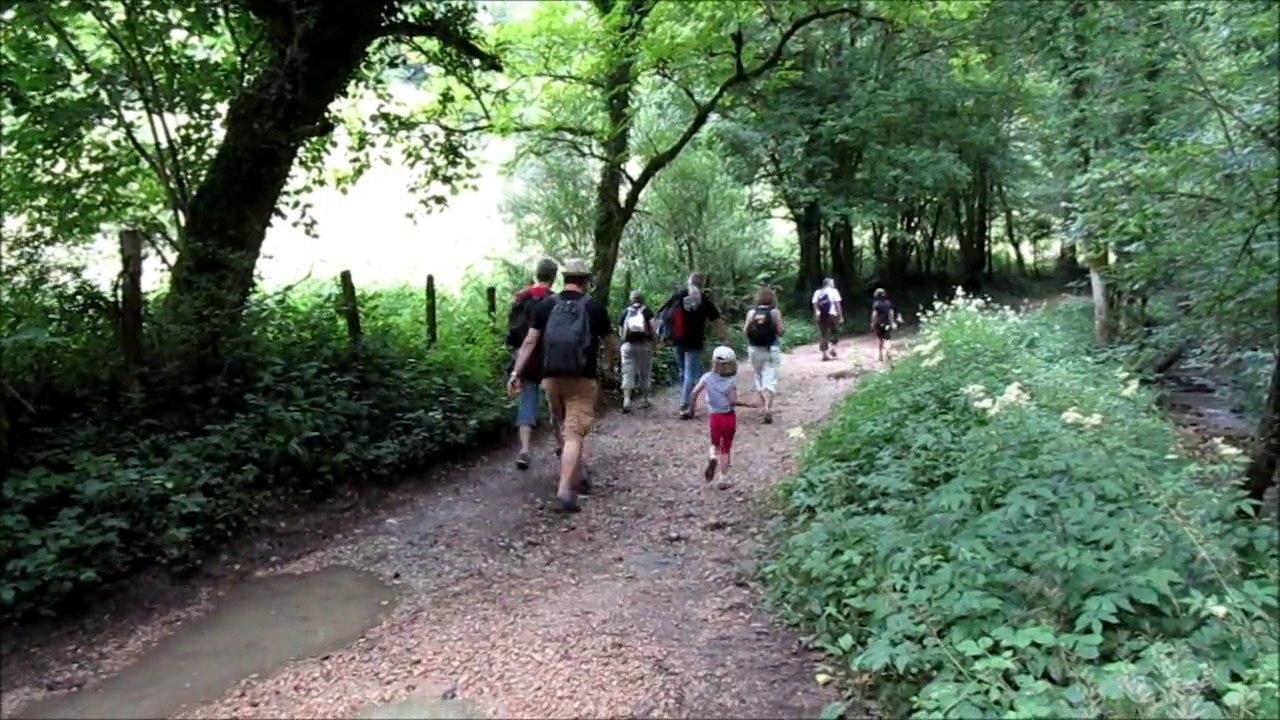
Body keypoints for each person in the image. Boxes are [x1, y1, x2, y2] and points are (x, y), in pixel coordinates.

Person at [508, 259, 612, 513]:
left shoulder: (545, 306)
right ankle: (565, 489)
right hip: (582, 378)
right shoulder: (593, 308)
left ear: (564, 278)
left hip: (551, 378)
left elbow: (530, 342)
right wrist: (609, 366)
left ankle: (578, 473)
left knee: (564, 427)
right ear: (585, 280)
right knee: (574, 434)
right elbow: (610, 343)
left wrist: (515, 372)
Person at [504, 258, 557, 471]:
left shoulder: (522, 298)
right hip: (551, 359)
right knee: (556, 403)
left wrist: (518, 361)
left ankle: (524, 450)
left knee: (527, 402)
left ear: (537, 274)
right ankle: (562, 444)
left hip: (525, 359)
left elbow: (513, 332)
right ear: (554, 277)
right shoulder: (555, 300)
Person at [657, 272, 723, 419]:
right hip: (695, 341)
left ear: (689, 282)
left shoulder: (678, 295)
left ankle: (684, 399)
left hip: (678, 340)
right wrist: (725, 338)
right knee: (690, 374)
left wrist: (660, 337)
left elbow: (661, 313)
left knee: (683, 372)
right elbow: (717, 320)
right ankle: (685, 404)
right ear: (702, 285)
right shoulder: (704, 300)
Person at [688, 346, 754, 490]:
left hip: (714, 417)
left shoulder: (706, 377)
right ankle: (723, 478)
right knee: (726, 447)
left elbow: (694, 393)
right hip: (728, 417)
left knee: (715, 444)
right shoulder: (730, 382)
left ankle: (712, 457)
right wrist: (749, 404)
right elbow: (732, 401)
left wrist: (692, 408)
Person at [743, 286, 785, 424]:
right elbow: (781, 331)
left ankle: (763, 407)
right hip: (771, 348)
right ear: (772, 298)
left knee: (759, 377)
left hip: (754, 349)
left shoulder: (751, 313)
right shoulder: (774, 312)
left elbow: (745, 332)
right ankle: (768, 407)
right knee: (770, 378)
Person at [617, 289, 656, 413]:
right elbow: (653, 329)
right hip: (644, 345)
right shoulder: (647, 311)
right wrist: (654, 343)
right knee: (644, 372)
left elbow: (620, 330)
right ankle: (645, 399)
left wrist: (622, 342)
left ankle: (627, 400)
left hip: (628, 346)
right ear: (642, 299)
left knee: (627, 372)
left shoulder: (625, 312)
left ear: (631, 299)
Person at [811, 278, 843, 361]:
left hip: (821, 316)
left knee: (823, 334)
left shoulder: (817, 292)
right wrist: (840, 316)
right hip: (832, 315)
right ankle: (833, 348)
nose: (833, 284)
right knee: (835, 331)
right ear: (829, 284)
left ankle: (824, 354)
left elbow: (814, 304)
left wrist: (816, 315)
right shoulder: (834, 291)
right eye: (832, 283)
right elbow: (837, 304)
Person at [870, 287, 897, 364]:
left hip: (879, 324)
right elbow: (891, 313)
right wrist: (892, 322)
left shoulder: (876, 304)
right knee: (887, 339)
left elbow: (874, 315)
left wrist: (872, 323)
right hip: (887, 323)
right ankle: (888, 353)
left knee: (880, 339)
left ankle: (880, 355)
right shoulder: (888, 303)